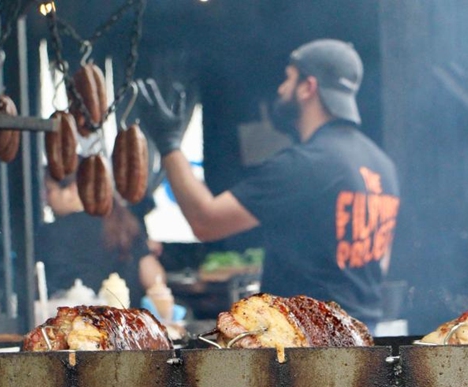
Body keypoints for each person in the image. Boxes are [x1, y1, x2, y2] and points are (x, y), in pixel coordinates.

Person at [141, 39, 400, 326]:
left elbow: (206, 221)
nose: (281, 89)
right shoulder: (382, 166)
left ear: (308, 87)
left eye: (289, 79)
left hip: (306, 345)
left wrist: (168, 144)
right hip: (365, 339)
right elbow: (380, 263)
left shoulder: (304, 164)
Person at [36, 170, 166, 309]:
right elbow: (154, 281)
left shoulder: (49, 233)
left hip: (73, 324)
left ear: (73, 190)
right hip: (126, 323)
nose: (46, 201)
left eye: (49, 191)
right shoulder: (124, 223)